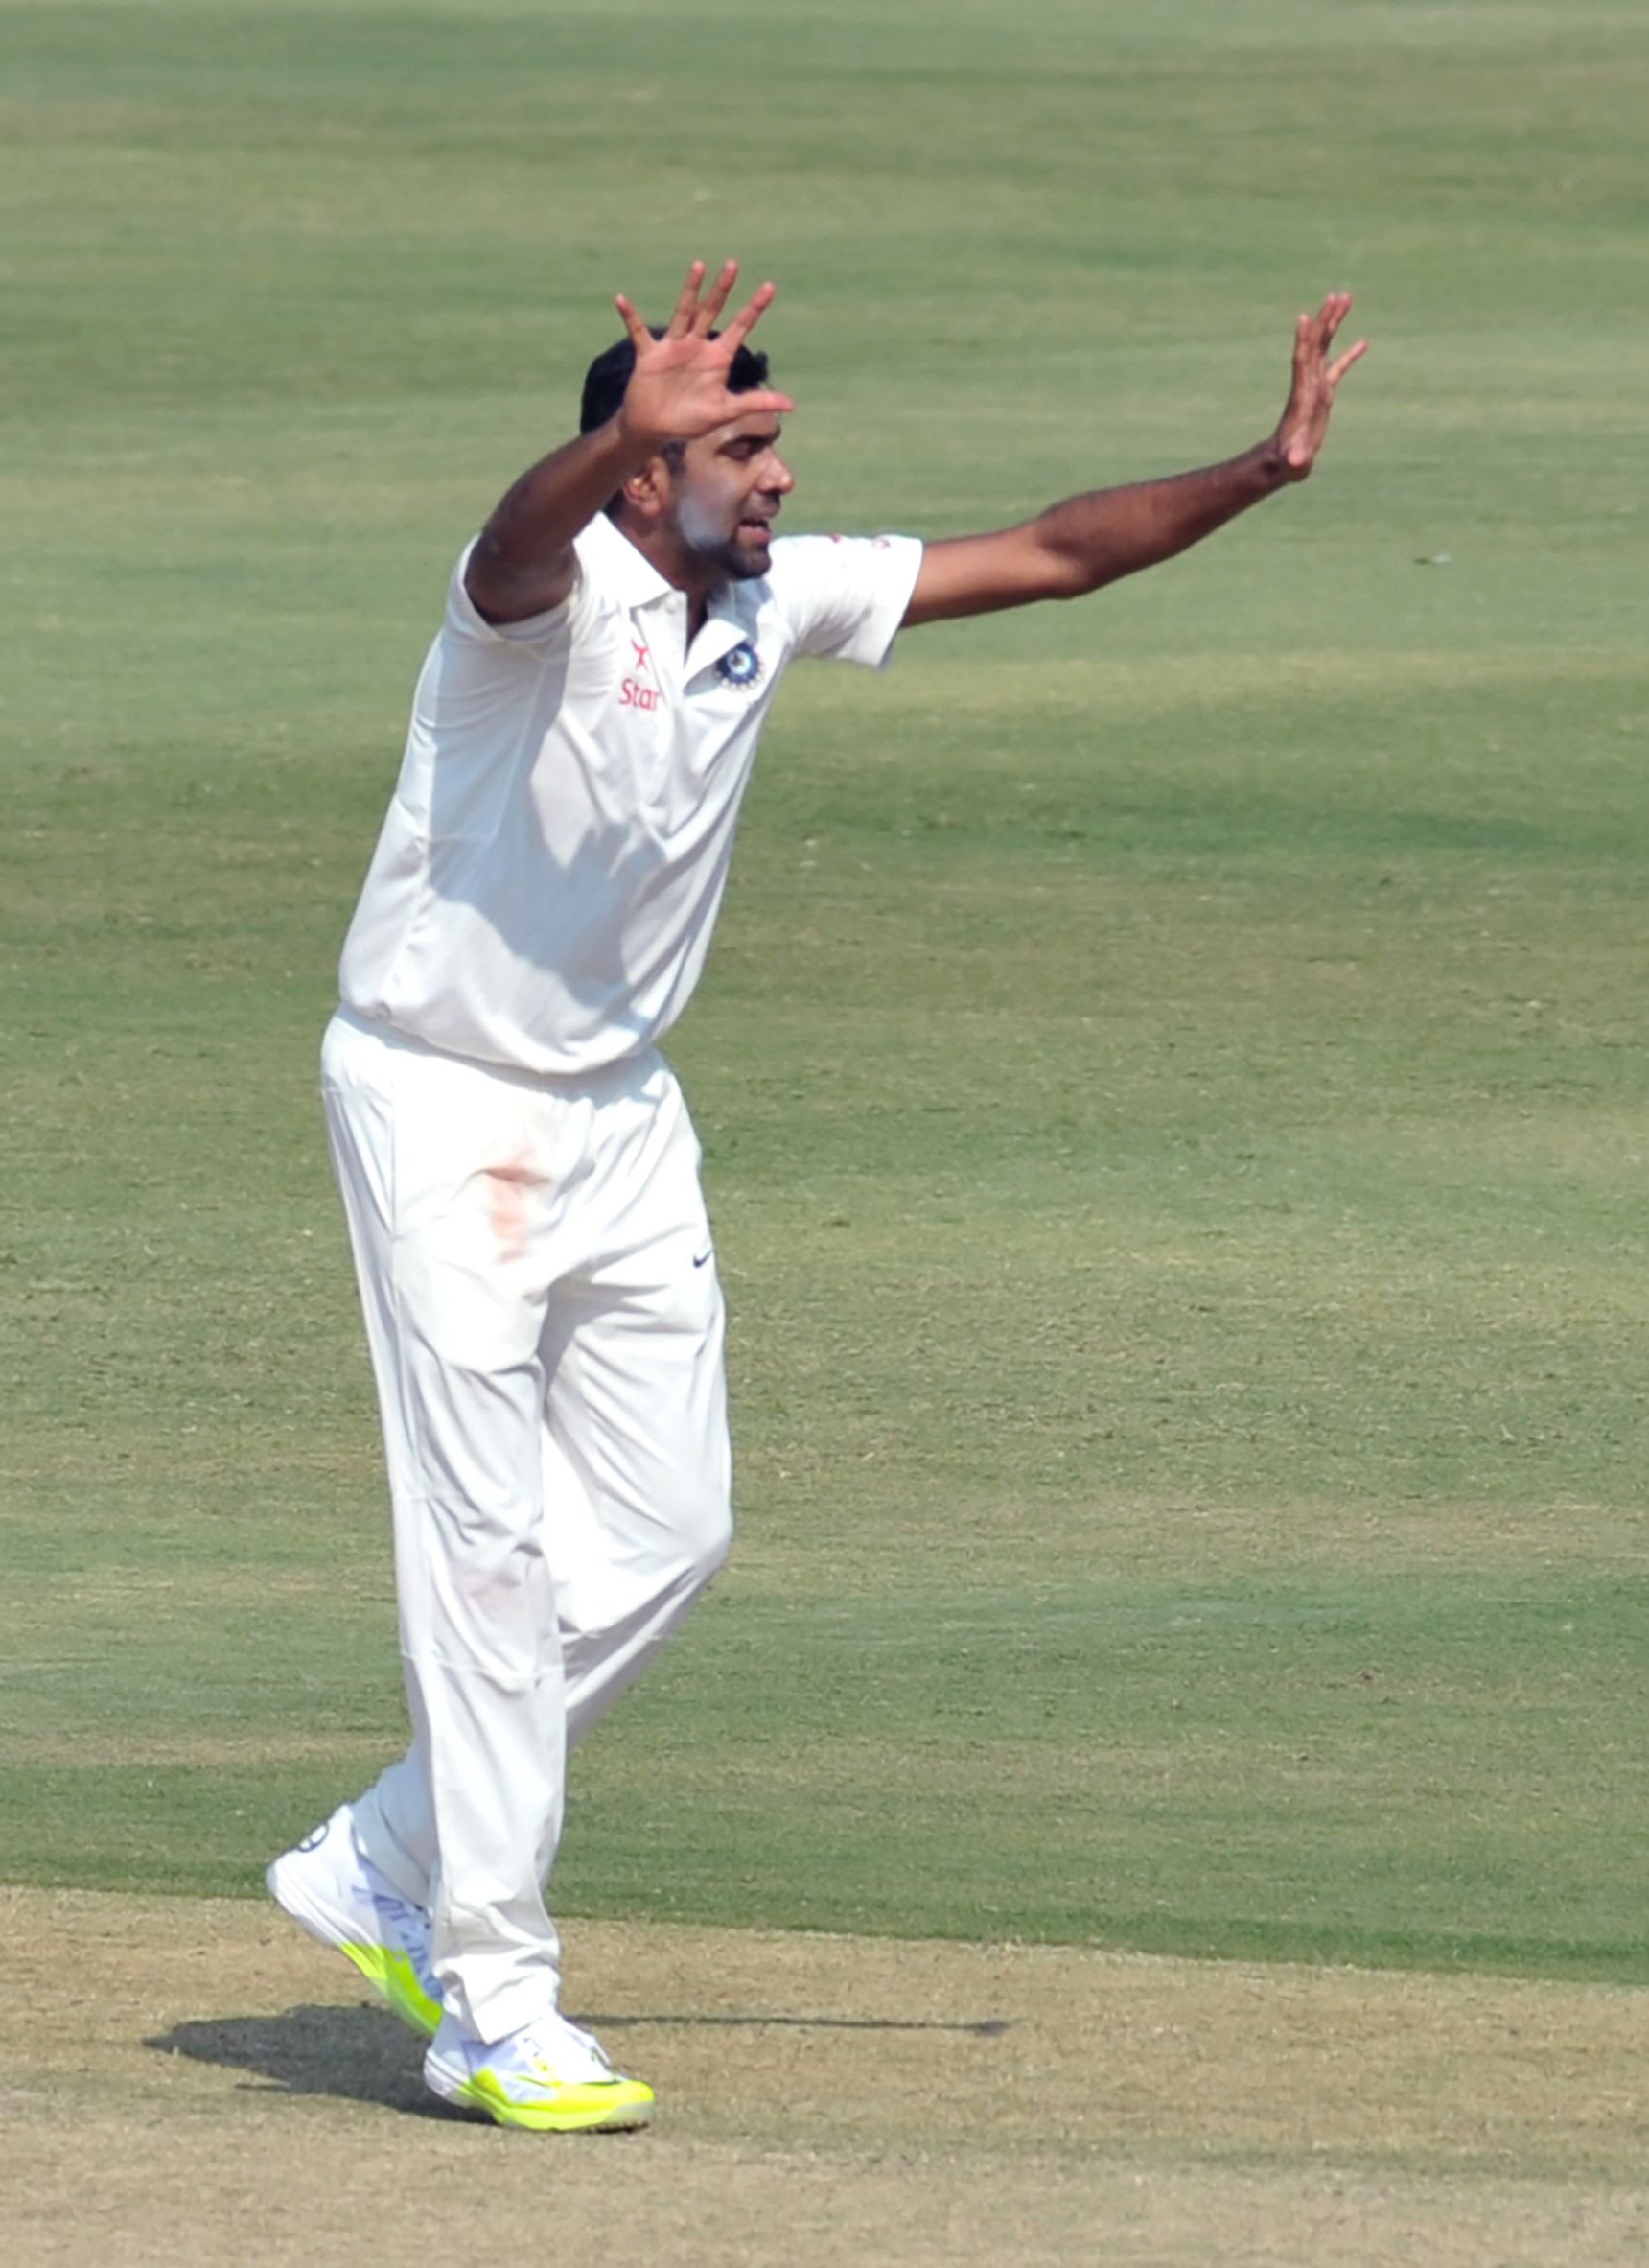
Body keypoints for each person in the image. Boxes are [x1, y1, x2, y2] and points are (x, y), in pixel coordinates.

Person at [265, 262, 1367, 2129]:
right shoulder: (535, 607)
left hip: (617, 1112)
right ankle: (493, 1998)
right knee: (486, 1551)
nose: (771, 478)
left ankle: (383, 1847)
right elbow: (504, 537)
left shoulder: (767, 603)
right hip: (441, 1104)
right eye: (732, 448)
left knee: (671, 1531)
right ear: (636, 473)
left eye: (770, 444)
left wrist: (1258, 468)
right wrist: (612, 437)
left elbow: (1047, 554)